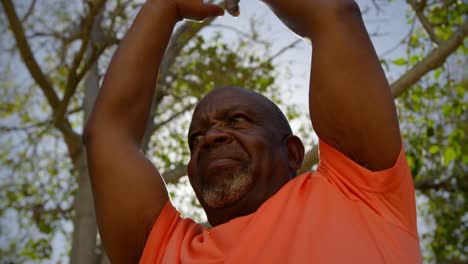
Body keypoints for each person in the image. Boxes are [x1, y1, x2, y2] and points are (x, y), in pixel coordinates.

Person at [83, 0, 423, 263]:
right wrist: (163, 6)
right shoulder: (163, 252)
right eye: (195, 139)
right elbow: (107, 136)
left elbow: (333, 16)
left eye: (237, 120)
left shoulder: (357, 190)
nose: (211, 138)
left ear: (292, 152)